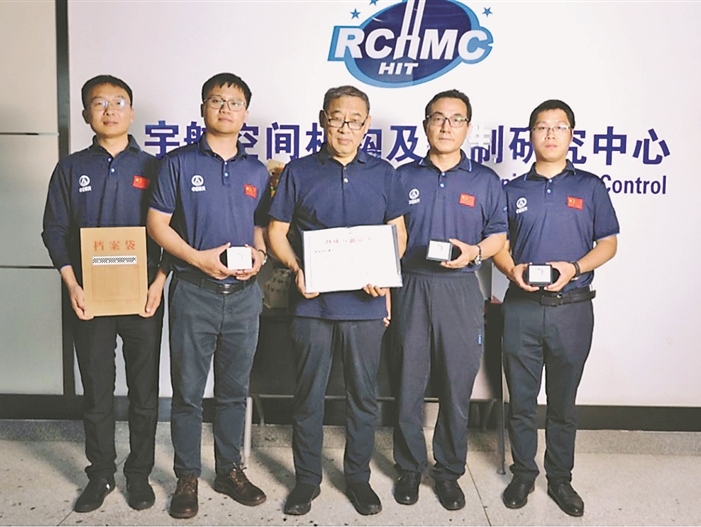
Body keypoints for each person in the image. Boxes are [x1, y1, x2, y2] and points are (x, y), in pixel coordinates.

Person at [267, 85, 409, 517]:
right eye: (336, 118)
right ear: (322, 120)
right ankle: (306, 480)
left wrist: (385, 272)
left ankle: (358, 478)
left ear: (367, 125)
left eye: (354, 120)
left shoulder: (384, 173)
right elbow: (276, 232)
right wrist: (296, 268)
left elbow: (399, 233)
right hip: (312, 305)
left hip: (365, 307)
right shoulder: (299, 171)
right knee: (308, 396)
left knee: (363, 397)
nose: (345, 127)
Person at [147, 72, 270, 519]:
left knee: (235, 391)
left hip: (243, 296)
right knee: (188, 393)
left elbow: (260, 225)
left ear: (245, 113)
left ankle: (229, 470)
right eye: (216, 100)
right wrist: (199, 260)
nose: (225, 109)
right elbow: (157, 224)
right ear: (203, 109)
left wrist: (259, 254)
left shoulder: (256, 171)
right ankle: (187, 477)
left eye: (234, 103)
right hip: (193, 293)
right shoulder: (177, 163)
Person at [41, 74, 166, 512]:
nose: (110, 110)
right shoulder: (71, 168)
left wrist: (159, 282)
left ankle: (139, 475)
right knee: (96, 391)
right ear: (85, 114)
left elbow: (174, 229)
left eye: (118, 102)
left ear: (131, 112)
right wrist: (72, 284)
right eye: (99, 103)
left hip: (143, 297)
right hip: (88, 298)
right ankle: (101, 474)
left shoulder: (154, 168)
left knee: (143, 392)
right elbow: (53, 229)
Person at [492, 99, 619, 517]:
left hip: (573, 309)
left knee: (563, 403)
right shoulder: (511, 190)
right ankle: (523, 474)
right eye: (542, 127)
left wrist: (575, 268)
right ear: (530, 135)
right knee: (521, 401)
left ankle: (560, 478)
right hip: (522, 309)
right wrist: (511, 270)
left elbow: (608, 243)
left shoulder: (590, 186)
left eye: (559, 127)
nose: (550, 134)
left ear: (571, 135)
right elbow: (498, 245)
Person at [390, 89, 507, 510]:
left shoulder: (485, 181)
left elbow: (498, 235)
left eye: (456, 119)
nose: (446, 126)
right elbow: (389, 235)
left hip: (460, 288)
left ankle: (448, 471)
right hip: (411, 285)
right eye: (438, 118)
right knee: (407, 383)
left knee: (457, 386)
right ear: (425, 124)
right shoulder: (401, 177)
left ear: (467, 127)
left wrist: (474, 252)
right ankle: (408, 467)